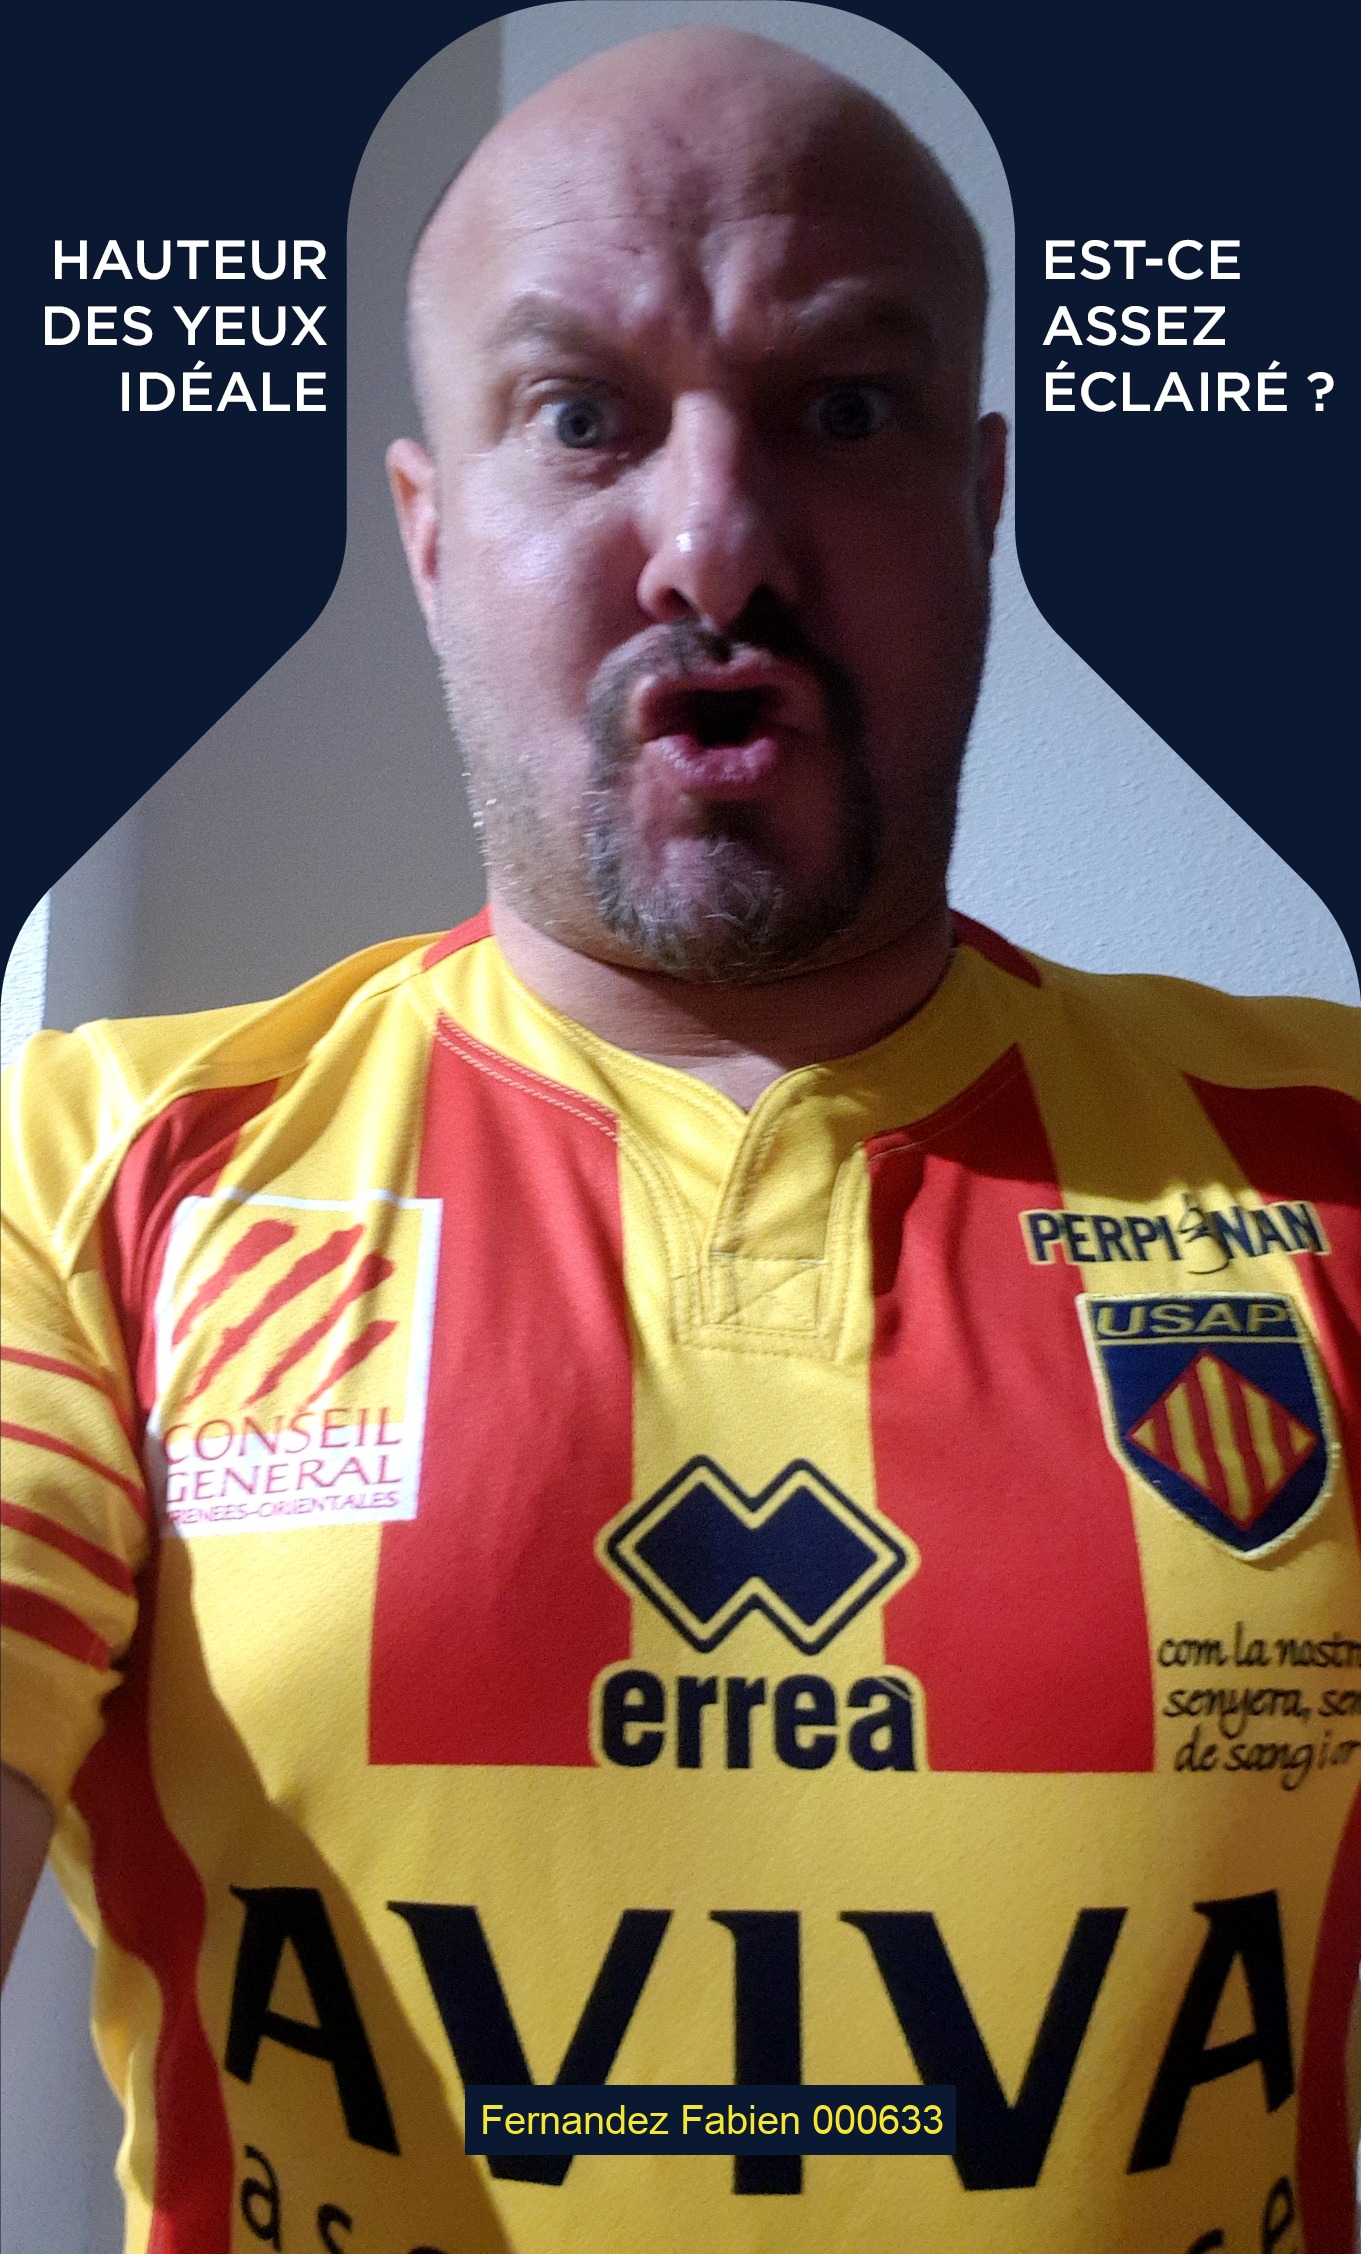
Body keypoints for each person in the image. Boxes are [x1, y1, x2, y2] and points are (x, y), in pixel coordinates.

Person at [2, 26, 1357, 2253]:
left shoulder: (1329, 1160)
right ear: (430, 539)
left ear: (985, 504)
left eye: (844, 409)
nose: (715, 542)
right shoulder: (88, 1179)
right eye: (581, 416)